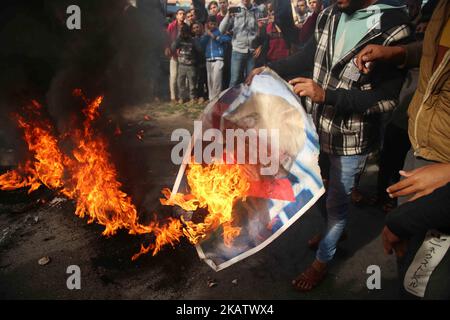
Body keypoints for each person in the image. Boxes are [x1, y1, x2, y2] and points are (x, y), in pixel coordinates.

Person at [247, 0, 411, 291]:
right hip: (316, 130)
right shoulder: (329, 14)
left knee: (337, 202)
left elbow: (387, 99)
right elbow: (307, 57)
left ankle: (323, 260)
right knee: (317, 188)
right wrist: (268, 69)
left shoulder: (393, 27)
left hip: (351, 139)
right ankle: (336, 231)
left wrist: (328, 95)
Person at [356, 0, 449, 298]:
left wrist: (447, 173)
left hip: (443, 180)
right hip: (419, 158)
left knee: (428, 284)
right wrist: (395, 53)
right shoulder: (443, 8)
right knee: (409, 268)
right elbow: (433, 54)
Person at [220, 0, 263, 87]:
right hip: (238, 50)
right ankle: (232, 100)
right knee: (234, 80)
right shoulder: (235, 9)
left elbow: (263, 31)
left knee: (251, 80)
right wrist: (228, 14)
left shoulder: (257, 11)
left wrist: (260, 46)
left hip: (252, 52)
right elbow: (221, 30)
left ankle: (248, 100)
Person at [200, 15, 232, 100]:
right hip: (208, 59)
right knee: (210, 80)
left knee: (217, 81)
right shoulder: (206, 34)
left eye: (214, 24)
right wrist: (207, 34)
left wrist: (217, 37)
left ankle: (216, 99)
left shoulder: (220, 31)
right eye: (210, 24)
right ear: (207, 24)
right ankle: (211, 99)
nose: (212, 26)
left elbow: (228, 38)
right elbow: (201, 44)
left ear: (217, 24)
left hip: (218, 58)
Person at [171, 23, 202, 104]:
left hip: (191, 65)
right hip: (181, 65)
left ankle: (192, 98)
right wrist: (178, 38)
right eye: (183, 33)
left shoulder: (193, 40)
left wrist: (195, 43)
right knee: (180, 83)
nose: (184, 35)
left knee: (192, 83)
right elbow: (173, 47)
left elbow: (200, 50)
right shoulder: (179, 40)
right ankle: (182, 98)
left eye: (186, 33)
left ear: (188, 33)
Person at [166, 9, 186, 103]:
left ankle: (182, 96)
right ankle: (173, 97)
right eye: (180, 14)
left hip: (184, 55)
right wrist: (167, 48)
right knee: (173, 76)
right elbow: (167, 38)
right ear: (176, 15)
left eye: (183, 14)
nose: (182, 15)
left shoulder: (187, 27)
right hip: (173, 54)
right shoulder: (171, 26)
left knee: (182, 77)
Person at [192, 22, 209, 102]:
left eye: (197, 27)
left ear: (201, 27)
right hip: (196, 62)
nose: (196, 29)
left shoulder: (206, 37)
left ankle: (208, 95)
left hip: (207, 61)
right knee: (199, 80)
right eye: (194, 28)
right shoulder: (192, 40)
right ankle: (200, 95)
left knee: (207, 79)